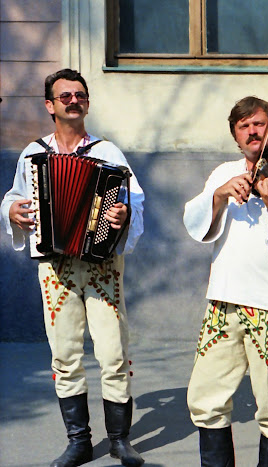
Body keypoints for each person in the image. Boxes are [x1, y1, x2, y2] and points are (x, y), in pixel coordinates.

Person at [0, 68, 145, 467]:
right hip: (56, 265)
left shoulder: (108, 153)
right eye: (64, 96)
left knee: (113, 351)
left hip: (101, 265)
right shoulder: (33, 154)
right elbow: (13, 197)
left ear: (86, 103)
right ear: (50, 105)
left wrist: (122, 216)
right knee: (64, 354)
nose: (73, 101)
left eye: (79, 95)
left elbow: (134, 202)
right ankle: (79, 440)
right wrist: (11, 211)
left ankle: (119, 440)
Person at [183, 96, 268, 466]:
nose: (254, 130)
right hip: (223, 298)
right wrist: (222, 193)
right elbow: (196, 223)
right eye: (245, 126)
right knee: (205, 397)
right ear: (236, 136)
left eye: (260, 123)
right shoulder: (224, 172)